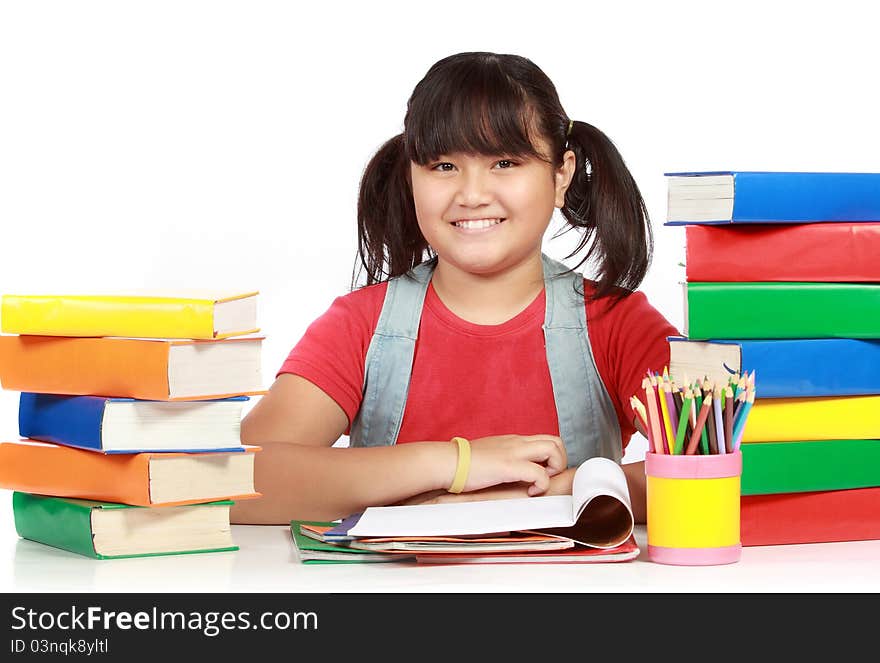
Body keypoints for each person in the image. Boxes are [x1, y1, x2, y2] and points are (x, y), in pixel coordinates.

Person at [232, 52, 678, 526]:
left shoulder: (618, 324)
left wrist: (567, 489)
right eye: (443, 166)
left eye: (505, 162)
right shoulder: (362, 325)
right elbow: (230, 482)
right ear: (411, 176)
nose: (471, 194)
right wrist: (456, 464)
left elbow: (732, 466)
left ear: (561, 175)